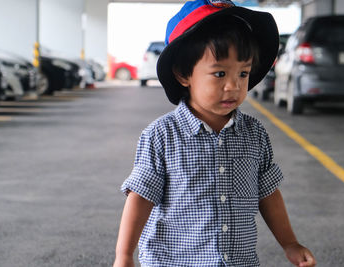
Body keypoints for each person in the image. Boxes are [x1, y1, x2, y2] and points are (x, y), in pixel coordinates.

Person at [114, 0, 316, 266]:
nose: (233, 86)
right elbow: (140, 198)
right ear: (183, 74)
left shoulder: (254, 134)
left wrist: (289, 243)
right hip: (174, 261)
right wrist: (124, 256)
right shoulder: (161, 136)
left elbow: (267, 194)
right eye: (219, 73)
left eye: (243, 73)